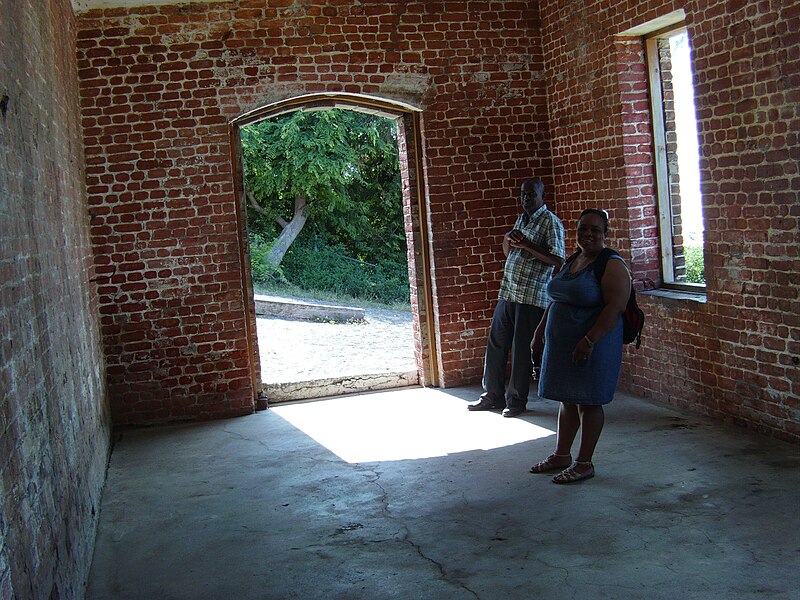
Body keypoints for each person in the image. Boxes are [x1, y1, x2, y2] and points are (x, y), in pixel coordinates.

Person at [529, 208, 631, 483]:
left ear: (605, 234)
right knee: (568, 399)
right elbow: (555, 300)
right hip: (563, 344)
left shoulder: (611, 264)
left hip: (594, 345)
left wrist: (589, 340)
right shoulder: (574, 259)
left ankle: (584, 462)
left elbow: (615, 307)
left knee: (589, 401)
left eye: (595, 230)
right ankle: (562, 455)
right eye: (583, 228)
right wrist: (539, 333)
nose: (587, 234)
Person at [468, 178, 565, 418]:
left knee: (521, 350)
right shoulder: (522, 218)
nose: (526, 198)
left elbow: (558, 260)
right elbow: (510, 252)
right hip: (508, 291)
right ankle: (492, 395)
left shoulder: (550, 222)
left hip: (531, 296)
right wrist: (507, 239)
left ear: (542, 196)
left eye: (531, 194)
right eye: (523, 194)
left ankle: (516, 401)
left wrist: (528, 245)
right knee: (497, 343)